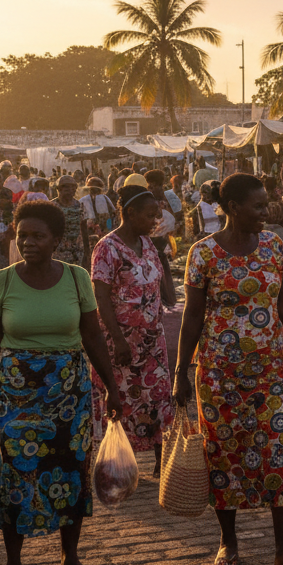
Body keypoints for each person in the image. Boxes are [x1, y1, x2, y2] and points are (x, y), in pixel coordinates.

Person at [0, 200, 123, 565]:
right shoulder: (0, 281)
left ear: (56, 240)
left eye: (37, 236)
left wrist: (112, 387)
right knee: (15, 475)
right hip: (18, 391)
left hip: (69, 390)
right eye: (23, 236)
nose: (29, 243)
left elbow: (92, 337)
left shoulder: (76, 279)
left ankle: (70, 559)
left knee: (71, 472)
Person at [173, 173, 283, 565]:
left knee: (281, 456)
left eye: (266, 204)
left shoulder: (273, 247)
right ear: (233, 209)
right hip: (219, 376)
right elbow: (192, 318)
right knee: (223, 456)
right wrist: (180, 371)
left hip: (273, 373)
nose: (266, 212)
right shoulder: (203, 254)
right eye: (258, 206)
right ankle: (227, 542)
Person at [91, 185, 177, 478]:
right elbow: (101, 297)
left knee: (158, 398)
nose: (155, 221)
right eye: (150, 215)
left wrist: (167, 297)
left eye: (157, 215)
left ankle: (160, 461)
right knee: (120, 400)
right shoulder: (107, 247)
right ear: (130, 213)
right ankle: (116, 462)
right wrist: (117, 339)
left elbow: (157, 277)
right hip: (121, 343)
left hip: (153, 341)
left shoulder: (148, 243)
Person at [51, 173, 90, 268]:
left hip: (77, 251)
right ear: (59, 189)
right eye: (66, 188)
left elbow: (84, 229)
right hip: (57, 251)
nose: (70, 191)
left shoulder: (80, 206)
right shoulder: (52, 206)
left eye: (73, 188)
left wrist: (87, 253)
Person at [80, 176, 117, 243]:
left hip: (89, 231)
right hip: (105, 230)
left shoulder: (83, 199)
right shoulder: (105, 198)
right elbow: (114, 212)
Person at [263, 175, 283, 242]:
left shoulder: (262, 200)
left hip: (266, 237)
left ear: (265, 186)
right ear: (275, 186)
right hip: (280, 235)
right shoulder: (279, 200)